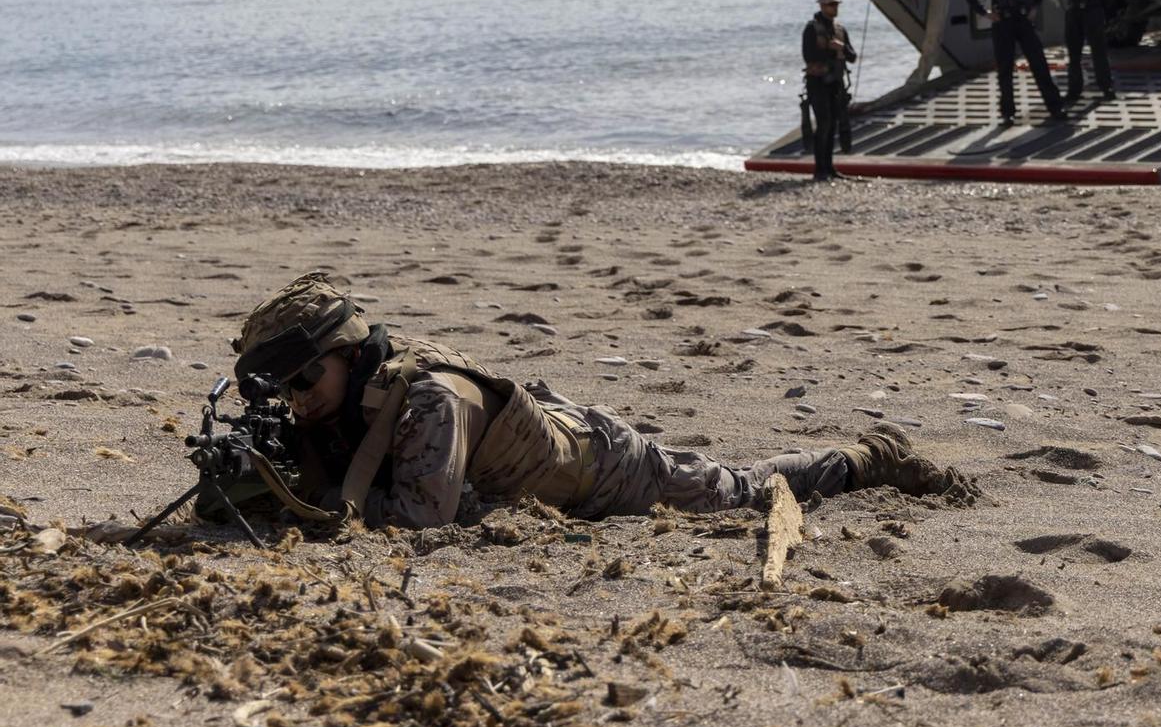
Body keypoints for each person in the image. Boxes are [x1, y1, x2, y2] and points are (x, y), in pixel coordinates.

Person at [228, 273, 975, 529]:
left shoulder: (428, 401)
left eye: (304, 382)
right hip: (546, 469)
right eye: (283, 389)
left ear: (353, 356)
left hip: (607, 470)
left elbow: (420, 518)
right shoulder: (350, 401)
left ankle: (864, 459)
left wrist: (310, 491)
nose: (296, 402)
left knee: (744, 492)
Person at [964, 0, 1065, 125]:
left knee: (1039, 63)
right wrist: (986, 13)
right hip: (1002, 24)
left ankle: (1055, 106)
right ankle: (1008, 113)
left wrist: (1034, 7)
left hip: (1023, 21)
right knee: (1005, 69)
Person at [802, 0, 855, 181]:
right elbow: (808, 56)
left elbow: (853, 56)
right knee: (823, 124)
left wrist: (842, 48)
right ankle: (819, 169)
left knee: (833, 124)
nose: (835, 8)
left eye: (836, 5)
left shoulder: (840, 29)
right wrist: (830, 51)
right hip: (817, 83)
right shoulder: (811, 29)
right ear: (822, 7)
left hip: (836, 83)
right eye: (832, 5)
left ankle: (829, 168)